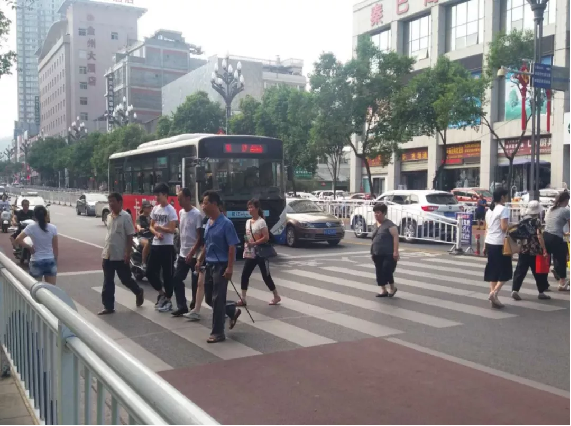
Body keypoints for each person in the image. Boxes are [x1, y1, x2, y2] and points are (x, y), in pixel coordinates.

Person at [201, 190, 241, 343]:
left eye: (205, 203)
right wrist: (200, 259)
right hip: (209, 264)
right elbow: (207, 243)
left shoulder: (226, 223)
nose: (203, 206)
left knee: (218, 299)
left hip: (221, 266)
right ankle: (231, 310)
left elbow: (232, 246)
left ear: (214, 204)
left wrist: (230, 268)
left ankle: (218, 333)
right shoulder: (208, 222)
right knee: (209, 298)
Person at [98, 193, 144, 315]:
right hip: (108, 254)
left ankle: (138, 291)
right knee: (108, 281)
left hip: (120, 255)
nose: (111, 204)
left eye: (113, 201)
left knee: (125, 279)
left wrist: (127, 253)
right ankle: (108, 306)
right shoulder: (109, 216)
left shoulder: (125, 217)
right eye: (109, 202)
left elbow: (130, 236)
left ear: (120, 202)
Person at [239, 199, 281, 306]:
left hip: (261, 253)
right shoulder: (248, 222)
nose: (250, 209)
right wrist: (247, 242)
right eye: (248, 207)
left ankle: (276, 296)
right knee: (245, 275)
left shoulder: (261, 222)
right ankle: (243, 299)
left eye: (251, 207)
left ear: (257, 208)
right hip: (251, 253)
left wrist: (254, 243)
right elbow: (247, 235)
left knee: (266, 276)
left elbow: (266, 237)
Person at [171, 188, 204, 317]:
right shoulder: (181, 212)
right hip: (182, 253)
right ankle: (182, 306)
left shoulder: (197, 214)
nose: (178, 201)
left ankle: (195, 306)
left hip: (194, 254)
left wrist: (192, 252)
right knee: (176, 279)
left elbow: (199, 237)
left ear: (188, 198)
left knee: (195, 282)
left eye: (180, 199)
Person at [148, 183, 178, 312]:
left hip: (167, 246)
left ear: (165, 195)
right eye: (155, 195)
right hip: (156, 244)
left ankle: (168, 300)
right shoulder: (155, 209)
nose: (156, 198)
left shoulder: (171, 210)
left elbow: (172, 229)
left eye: (158, 195)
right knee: (149, 271)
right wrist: (156, 233)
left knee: (167, 274)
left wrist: (160, 228)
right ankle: (161, 293)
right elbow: (151, 226)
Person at [511, 201, 550, 300]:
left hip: (524, 248)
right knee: (538, 272)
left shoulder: (523, 220)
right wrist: (544, 249)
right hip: (535, 250)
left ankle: (515, 290)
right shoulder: (536, 221)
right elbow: (539, 236)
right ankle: (541, 292)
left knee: (520, 270)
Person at [15, 206, 58, 284]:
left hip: (36, 260)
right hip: (50, 260)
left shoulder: (31, 227)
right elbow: (55, 248)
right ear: (46, 215)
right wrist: (55, 260)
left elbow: (18, 240)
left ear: (34, 216)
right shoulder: (53, 228)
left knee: (36, 289)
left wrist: (29, 247)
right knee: (51, 289)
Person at [484, 188, 512, 308]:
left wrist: (484, 245)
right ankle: (494, 293)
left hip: (489, 242)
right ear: (502, 197)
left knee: (493, 270)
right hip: (499, 243)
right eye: (506, 196)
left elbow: (487, 228)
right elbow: (504, 227)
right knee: (506, 271)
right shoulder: (503, 209)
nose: (507, 198)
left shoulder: (489, 210)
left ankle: (493, 298)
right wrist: (513, 226)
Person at [370, 203, 400, 297]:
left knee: (386, 269)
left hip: (388, 253)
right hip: (377, 252)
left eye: (378, 212)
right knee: (379, 271)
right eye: (375, 213)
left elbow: (395, 238)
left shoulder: (390, 225)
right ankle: (383, 290)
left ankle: (392, 288)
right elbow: (374, 240)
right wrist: (372, 252)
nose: (376, 215)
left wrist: (395, 252)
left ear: (384, 213)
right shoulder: (375, 225)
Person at [543, 190, 570, 291]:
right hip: (556, 237)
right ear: (566, 200)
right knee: (562, 259)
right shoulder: (565, 210)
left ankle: (543, 284)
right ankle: (562, 283)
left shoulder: (550, 208)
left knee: (546, 260)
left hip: (546, 236)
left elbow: (550, 223)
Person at [136, 200, 153, 269]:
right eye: (147, 207)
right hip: (142, 237)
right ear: (143, 208)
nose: (149, 209)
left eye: (150, 207)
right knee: (147, 243)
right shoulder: (140, 217)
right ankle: (143, 262)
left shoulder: (152, 217)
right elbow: (137, 225)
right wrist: (140, 229)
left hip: (152, 236)